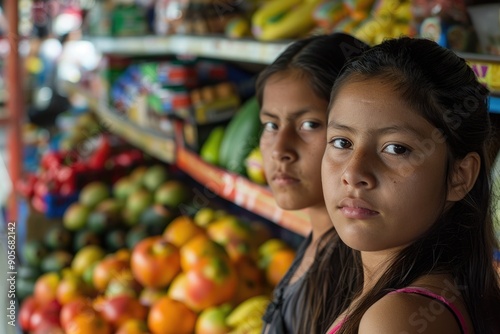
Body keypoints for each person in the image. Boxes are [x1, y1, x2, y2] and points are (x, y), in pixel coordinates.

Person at [321, 36, 500, 333]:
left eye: (396, 149)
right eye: (342, 142)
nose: (353, 173)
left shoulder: (397, 319)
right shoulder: (422, 298)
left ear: (460, 175)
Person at [256, 32, 369, 334]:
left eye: (309, 124)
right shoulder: (320, 240)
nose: (280, 150)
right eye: (270, 125)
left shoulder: (346, 275)